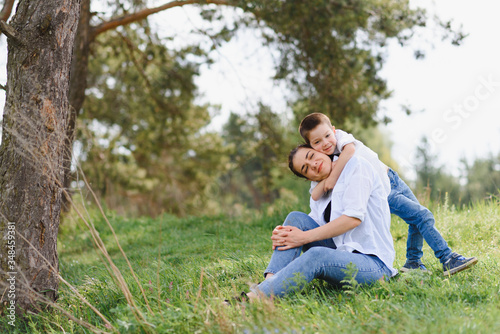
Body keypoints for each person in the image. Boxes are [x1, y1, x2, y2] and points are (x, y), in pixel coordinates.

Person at [298, 113, 477, 276]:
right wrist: (329, 179)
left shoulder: (341, 139)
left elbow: (350, 150)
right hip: (383, 190)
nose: (325, 143)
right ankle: (447, 258)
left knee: (416, 220)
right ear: (310, 146)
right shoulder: (323, 163)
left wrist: (334, 175)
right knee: (423, 216)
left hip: (392, 177)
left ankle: (413, 262)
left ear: (333, 131)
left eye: (327, 136)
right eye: (317, 143)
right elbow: (315, 194)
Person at [237, 145, 398, 302]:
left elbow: (353, 219)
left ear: (320, 151)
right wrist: (284, 233)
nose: (313, 165)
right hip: (341, 257)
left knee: (316, 255)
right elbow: (309, 226)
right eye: (306, 169)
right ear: (308, 178)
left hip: (374, 265)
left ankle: (255, 298)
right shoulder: (319, 192)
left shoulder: (357, 165)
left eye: (311, 156)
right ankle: (269, 282)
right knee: (296, 218)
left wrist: (303, 237)